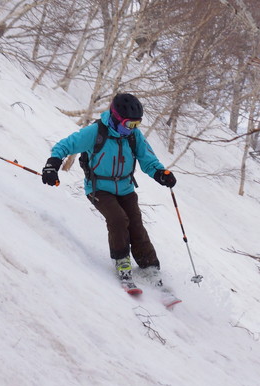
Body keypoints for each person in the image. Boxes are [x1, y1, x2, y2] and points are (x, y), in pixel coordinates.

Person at [41, 93, 176, 290]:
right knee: (118, 219)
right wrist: (52, 165)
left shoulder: (133, 136)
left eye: (136, 124)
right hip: (99, 188)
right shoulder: (96, 132)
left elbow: (148, 159)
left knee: (136, 225)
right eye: (129, 124)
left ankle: (150, 267)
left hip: (125, 188)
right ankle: (122, 261)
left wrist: (161, 173)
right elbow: (65, 145)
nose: (132, 129)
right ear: (115, 117)